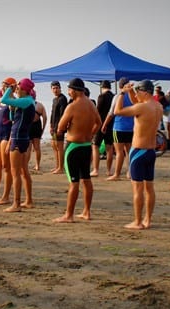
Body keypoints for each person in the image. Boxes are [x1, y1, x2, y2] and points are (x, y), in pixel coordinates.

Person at [113, 80, 163, 229]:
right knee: (149, 187)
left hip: (138, 151)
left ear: (145, 92)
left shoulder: (141, 107)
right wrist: (130, 92)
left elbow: (117, 111)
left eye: (138, 91)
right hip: (150, 151)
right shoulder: (158, 107)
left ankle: (137, 221)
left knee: (138, 189)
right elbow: (137, 103)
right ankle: (148, 220)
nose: (136, 94)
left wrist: (121, 93)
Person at [52, 78, 102, 223]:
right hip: (87, 146)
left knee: (74, 182)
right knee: (86, 179)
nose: (68, 92)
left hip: (73, 147)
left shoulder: (72, 106)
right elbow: (98, 123)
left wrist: (67, 128)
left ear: (73, 90)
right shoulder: (91, 104)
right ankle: (86, 211)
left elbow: (60, 127)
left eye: (69, 90)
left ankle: (69, 215)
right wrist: (91, 134)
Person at [0, 78, 36, 212]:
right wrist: (12, 108)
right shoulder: (28, 101)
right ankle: (29, 200)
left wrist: (9, 88)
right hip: (23, 137)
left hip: (17, 138)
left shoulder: (26, 100)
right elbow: (12, 118)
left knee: (15, 173)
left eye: (18, 88)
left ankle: (16, 204)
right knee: (23, 170)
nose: (17, 90)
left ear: (25, 90)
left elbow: (3, 100)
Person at [107, 77, 136, 181]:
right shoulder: (134, 96)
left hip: (119, 127)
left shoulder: (119, 96)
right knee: (129, 151)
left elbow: (112, 112)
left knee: (119, 152)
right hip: (131, 127)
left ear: (120, 87)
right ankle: (130, 172)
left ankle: (117, 174)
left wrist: (105, 124)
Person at [92, 80, 115, 177]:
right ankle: (109, 171)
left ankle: (96, 170)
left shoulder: (101, 96)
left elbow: (97, 111)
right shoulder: (114, 97)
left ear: (102, 87)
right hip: (111, 124)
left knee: (95, 146)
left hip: (101, 124)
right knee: (109, 147)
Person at [49, 81, 68, 174]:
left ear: (60, 88)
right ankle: (57, 166)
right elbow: (52, 113)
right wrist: (50, 126)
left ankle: (61, 167)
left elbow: (62, 115)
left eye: (57, 88)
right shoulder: (54, 99)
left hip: (59, 126)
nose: (55, 90)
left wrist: (60, 128)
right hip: (54, 126)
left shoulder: (62, 99)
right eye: (53, 88)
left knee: (59, 147)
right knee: (54, 146)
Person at [29, 91, 47, 171]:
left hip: (28, 126)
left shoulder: (26, 104)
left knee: (28, 148)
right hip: (37, 126)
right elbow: (45, 118)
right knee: (37, 148)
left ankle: (25, 164)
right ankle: (37, 165)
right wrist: (43, 129)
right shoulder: (40, 105)